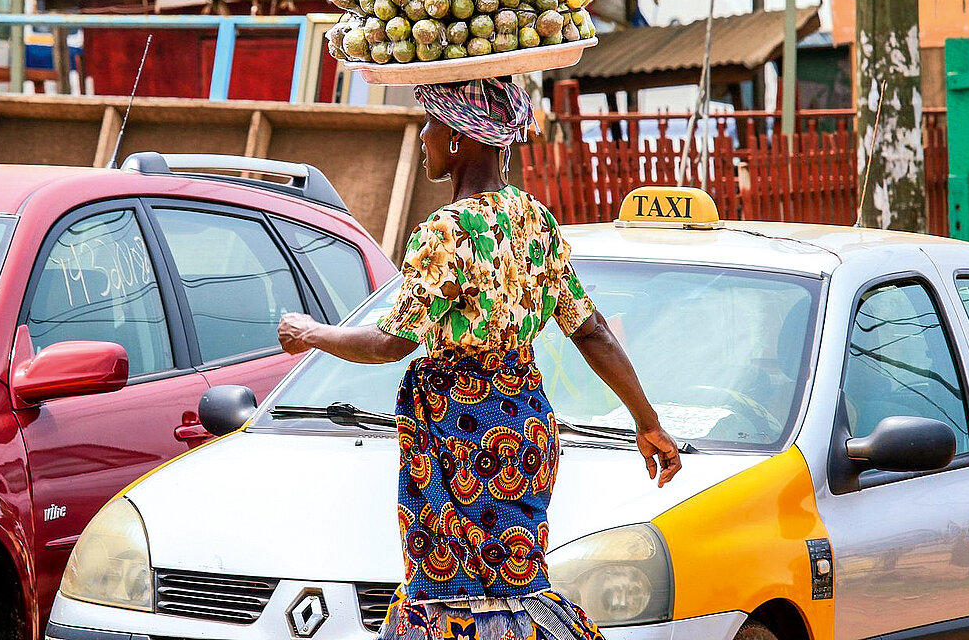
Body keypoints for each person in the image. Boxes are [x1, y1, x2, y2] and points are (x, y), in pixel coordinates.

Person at [278, 77, 681, 640]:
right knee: (514, 584)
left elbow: (392, 342)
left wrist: (313, 333)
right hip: (523, 430)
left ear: (460, 137)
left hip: (458, 438)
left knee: (452, 593)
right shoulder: (533, 220)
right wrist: (648, 422)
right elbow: (590, 331)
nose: (422, 136)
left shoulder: (444, 232)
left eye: (431, 122)